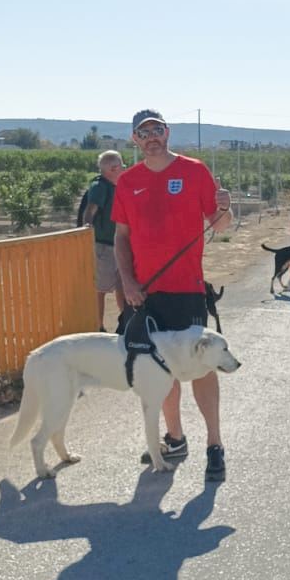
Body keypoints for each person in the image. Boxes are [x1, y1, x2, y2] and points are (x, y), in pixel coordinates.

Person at [112, 109, 233, 479]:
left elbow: (221, 226)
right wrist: (128, 283)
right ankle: (176, 438)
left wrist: (224, 207)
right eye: (143, 132)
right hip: (145, 294)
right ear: (135, 139)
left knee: (202, 367)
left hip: (187, 289)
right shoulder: (127, 181)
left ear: (167, 133)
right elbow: (121, 237)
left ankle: (214, 444)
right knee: (158, 369)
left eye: (157, 130)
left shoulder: (194, 171)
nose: (151, 137)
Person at [82, 149, 126, 329]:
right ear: (113, 169)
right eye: (121, 166)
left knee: (122, 284)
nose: (123, 169)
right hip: (103, 246)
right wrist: (87, 230)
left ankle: (125, 321)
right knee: (100, 289)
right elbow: (90, 211)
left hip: (116, 244)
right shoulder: (100, 187)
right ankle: (99, 326)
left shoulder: (115, 186)